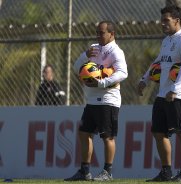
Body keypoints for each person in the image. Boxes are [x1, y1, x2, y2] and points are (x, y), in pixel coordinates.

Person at [137, 5, 181, 182]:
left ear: (177, 21)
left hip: (179, 96)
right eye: (162, 20)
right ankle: (166, 172)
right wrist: (144, 79)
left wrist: (175, 90)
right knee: (158, 132)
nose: (162, 24)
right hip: (163, 94)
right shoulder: (167, 40)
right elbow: (158, 62)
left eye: (166, 20)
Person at [64, 20, 128, 181]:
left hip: (108, 100)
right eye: (97, 32)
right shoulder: (94, 48)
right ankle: (84, 171)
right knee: (84, 133)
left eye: (102, 32)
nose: (98, 35)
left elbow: (123, 73)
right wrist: (85, 55)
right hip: (91, 100)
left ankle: (107, 172)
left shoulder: (116, 51)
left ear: (111, 34)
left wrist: (102, 82)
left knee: (108, 136)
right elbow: (76, 67)